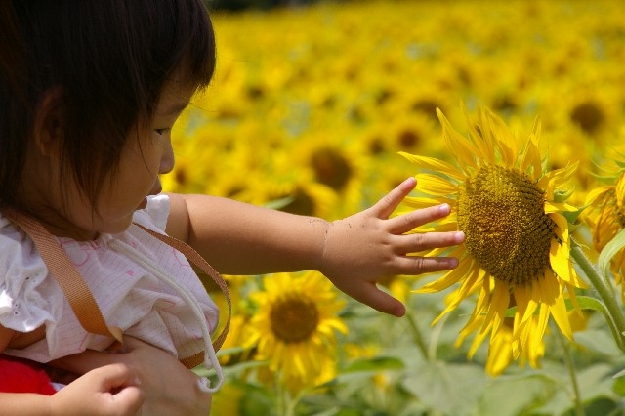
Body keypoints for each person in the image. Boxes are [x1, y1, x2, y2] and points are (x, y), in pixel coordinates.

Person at [0, 1, 466, 415]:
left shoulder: (106, 226)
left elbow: (195, 223)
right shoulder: (13, 268)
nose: (169, 159)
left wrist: (324, 243)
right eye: (160, 128)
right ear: (57, 128)